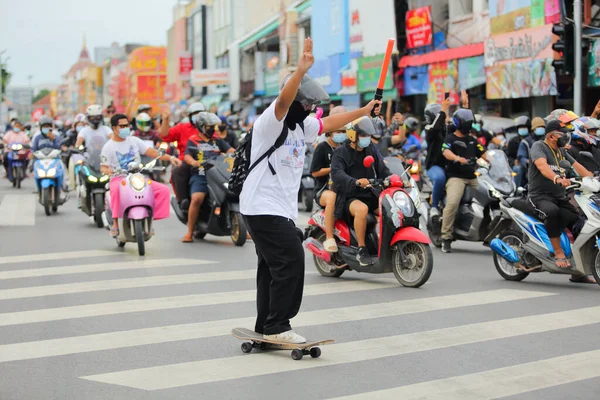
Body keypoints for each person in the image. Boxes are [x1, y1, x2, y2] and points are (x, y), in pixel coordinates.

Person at [240, 37, 381, 344]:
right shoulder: (271, 123)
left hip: (278, 209)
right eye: (304, 104)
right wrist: (300, 71)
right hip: (262, 207)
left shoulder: (300, 127)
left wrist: (364, 111)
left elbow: (330, 122)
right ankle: (279, 324)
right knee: (290, 259)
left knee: (271, 266)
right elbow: (282, 103)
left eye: (310, 106)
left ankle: (266, 324)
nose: (308, 110)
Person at [528, 118, 595, 283]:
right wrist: (557, 178)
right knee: (552, 212)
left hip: (559, 197)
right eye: (562, 133)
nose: (566, 136)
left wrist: (593, 178)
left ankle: (578, 270)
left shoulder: (561, 151)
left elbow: (579, 168)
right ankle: (558, 252)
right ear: (551, 136)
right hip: (539, 196)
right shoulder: (539, 147)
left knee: (577, 217)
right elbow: (542, 166)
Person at [100, 114, 181, 237]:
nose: (125, 128)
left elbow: (152, 152)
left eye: (127, 125)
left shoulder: (134, 141)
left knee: (163, 190)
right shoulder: (108, 146)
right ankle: (115, 223)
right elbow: (103, 167)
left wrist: (171, 158)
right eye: (122, 126)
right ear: (114, 128)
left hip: (137, 177)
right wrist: (108, 171)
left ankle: (150, 218)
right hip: (119, 178)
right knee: (116, 190)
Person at [331, 116, 390, 266]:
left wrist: (395, 178)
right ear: (353, 135)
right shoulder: (341, 153)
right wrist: (355, 182)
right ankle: (362, 249)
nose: (367, 139)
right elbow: (337, 175)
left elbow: (382, 169)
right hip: (348, 196)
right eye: (364, 135)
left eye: (369, 135)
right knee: (362, 210)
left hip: (369, 193)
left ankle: (387, 244)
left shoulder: (370, 149)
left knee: (390, 208)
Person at [181, 113, 234, 242]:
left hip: (218, 174)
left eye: (213, 126)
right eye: (210, 126)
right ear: (201, 126)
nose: (213, 129)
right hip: (200, 175)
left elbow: (230, 151)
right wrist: (193, 162)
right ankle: (189, 232)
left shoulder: (217, 140)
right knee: (197, 199)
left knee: (233, 194)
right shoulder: (193, 140)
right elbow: (187, 155)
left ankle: (240, 227)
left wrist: (236, 155)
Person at [440, 109, 486, 253]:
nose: (468, 125)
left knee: (493, 196)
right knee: (452, 203)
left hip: (473, 177)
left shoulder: (472, 140)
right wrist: (457, 158)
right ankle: (446, 237)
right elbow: (445, 151)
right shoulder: (450, 139)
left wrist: (494, 160)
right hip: (456, 177)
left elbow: (484, 153)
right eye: (466, 123)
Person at [310, 106, 347, 253]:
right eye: (338, 132)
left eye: (344, 132)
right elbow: (315, 173)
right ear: (330, 133)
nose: (341, 135)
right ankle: (330, 237)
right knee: (332, 197)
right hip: (323, 190)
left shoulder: (345, 148)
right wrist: (333, 169)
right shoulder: (322, 147)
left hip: (343, 187)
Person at [160, 102, 206, 204]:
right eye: (195, 113)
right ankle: (182, 200)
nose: (198, 116)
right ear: (190, 116)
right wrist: (166, 119)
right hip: (185, 161)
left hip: (207, 160)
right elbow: (165, 135)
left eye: (200, 113)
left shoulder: (209, 128)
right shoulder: (182, 127)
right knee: (177, 171)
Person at [423, 98, 452, 218]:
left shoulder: (447, 128)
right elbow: (435, 128)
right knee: (440, 178)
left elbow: (462, 128)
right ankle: (434, 206)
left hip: (450, 165)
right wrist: (443, 111)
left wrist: (466, 106)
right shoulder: (429, 129)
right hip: (434, 166)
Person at [513, 116, 536, 188]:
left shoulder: (533, 140)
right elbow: (508, 155)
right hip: (519, 165)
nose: (522, 129)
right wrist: (514, 161)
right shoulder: (513, 141)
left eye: (524, 127)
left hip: (533, 164)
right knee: (517, 169)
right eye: (521, 127)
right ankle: (517, 189)